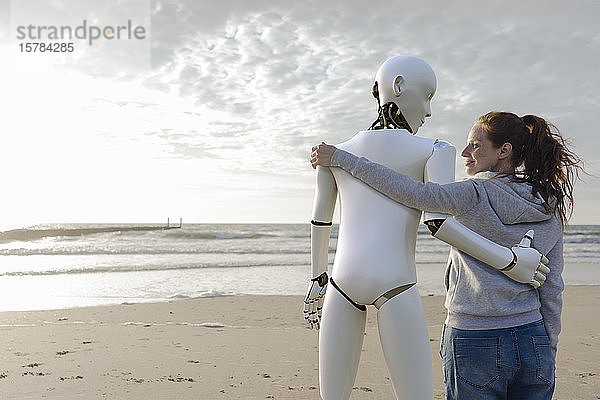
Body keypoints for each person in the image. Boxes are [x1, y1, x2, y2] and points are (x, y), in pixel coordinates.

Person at [305, 55, 549, 400]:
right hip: (396, 286)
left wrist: (316, 279)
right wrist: (509, 260)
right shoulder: (434, 149)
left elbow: (320, 220)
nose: (430, 111)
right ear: (399, 86)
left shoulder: (333, 152)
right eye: (429, 95)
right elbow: (438, 221)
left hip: (339, 286)